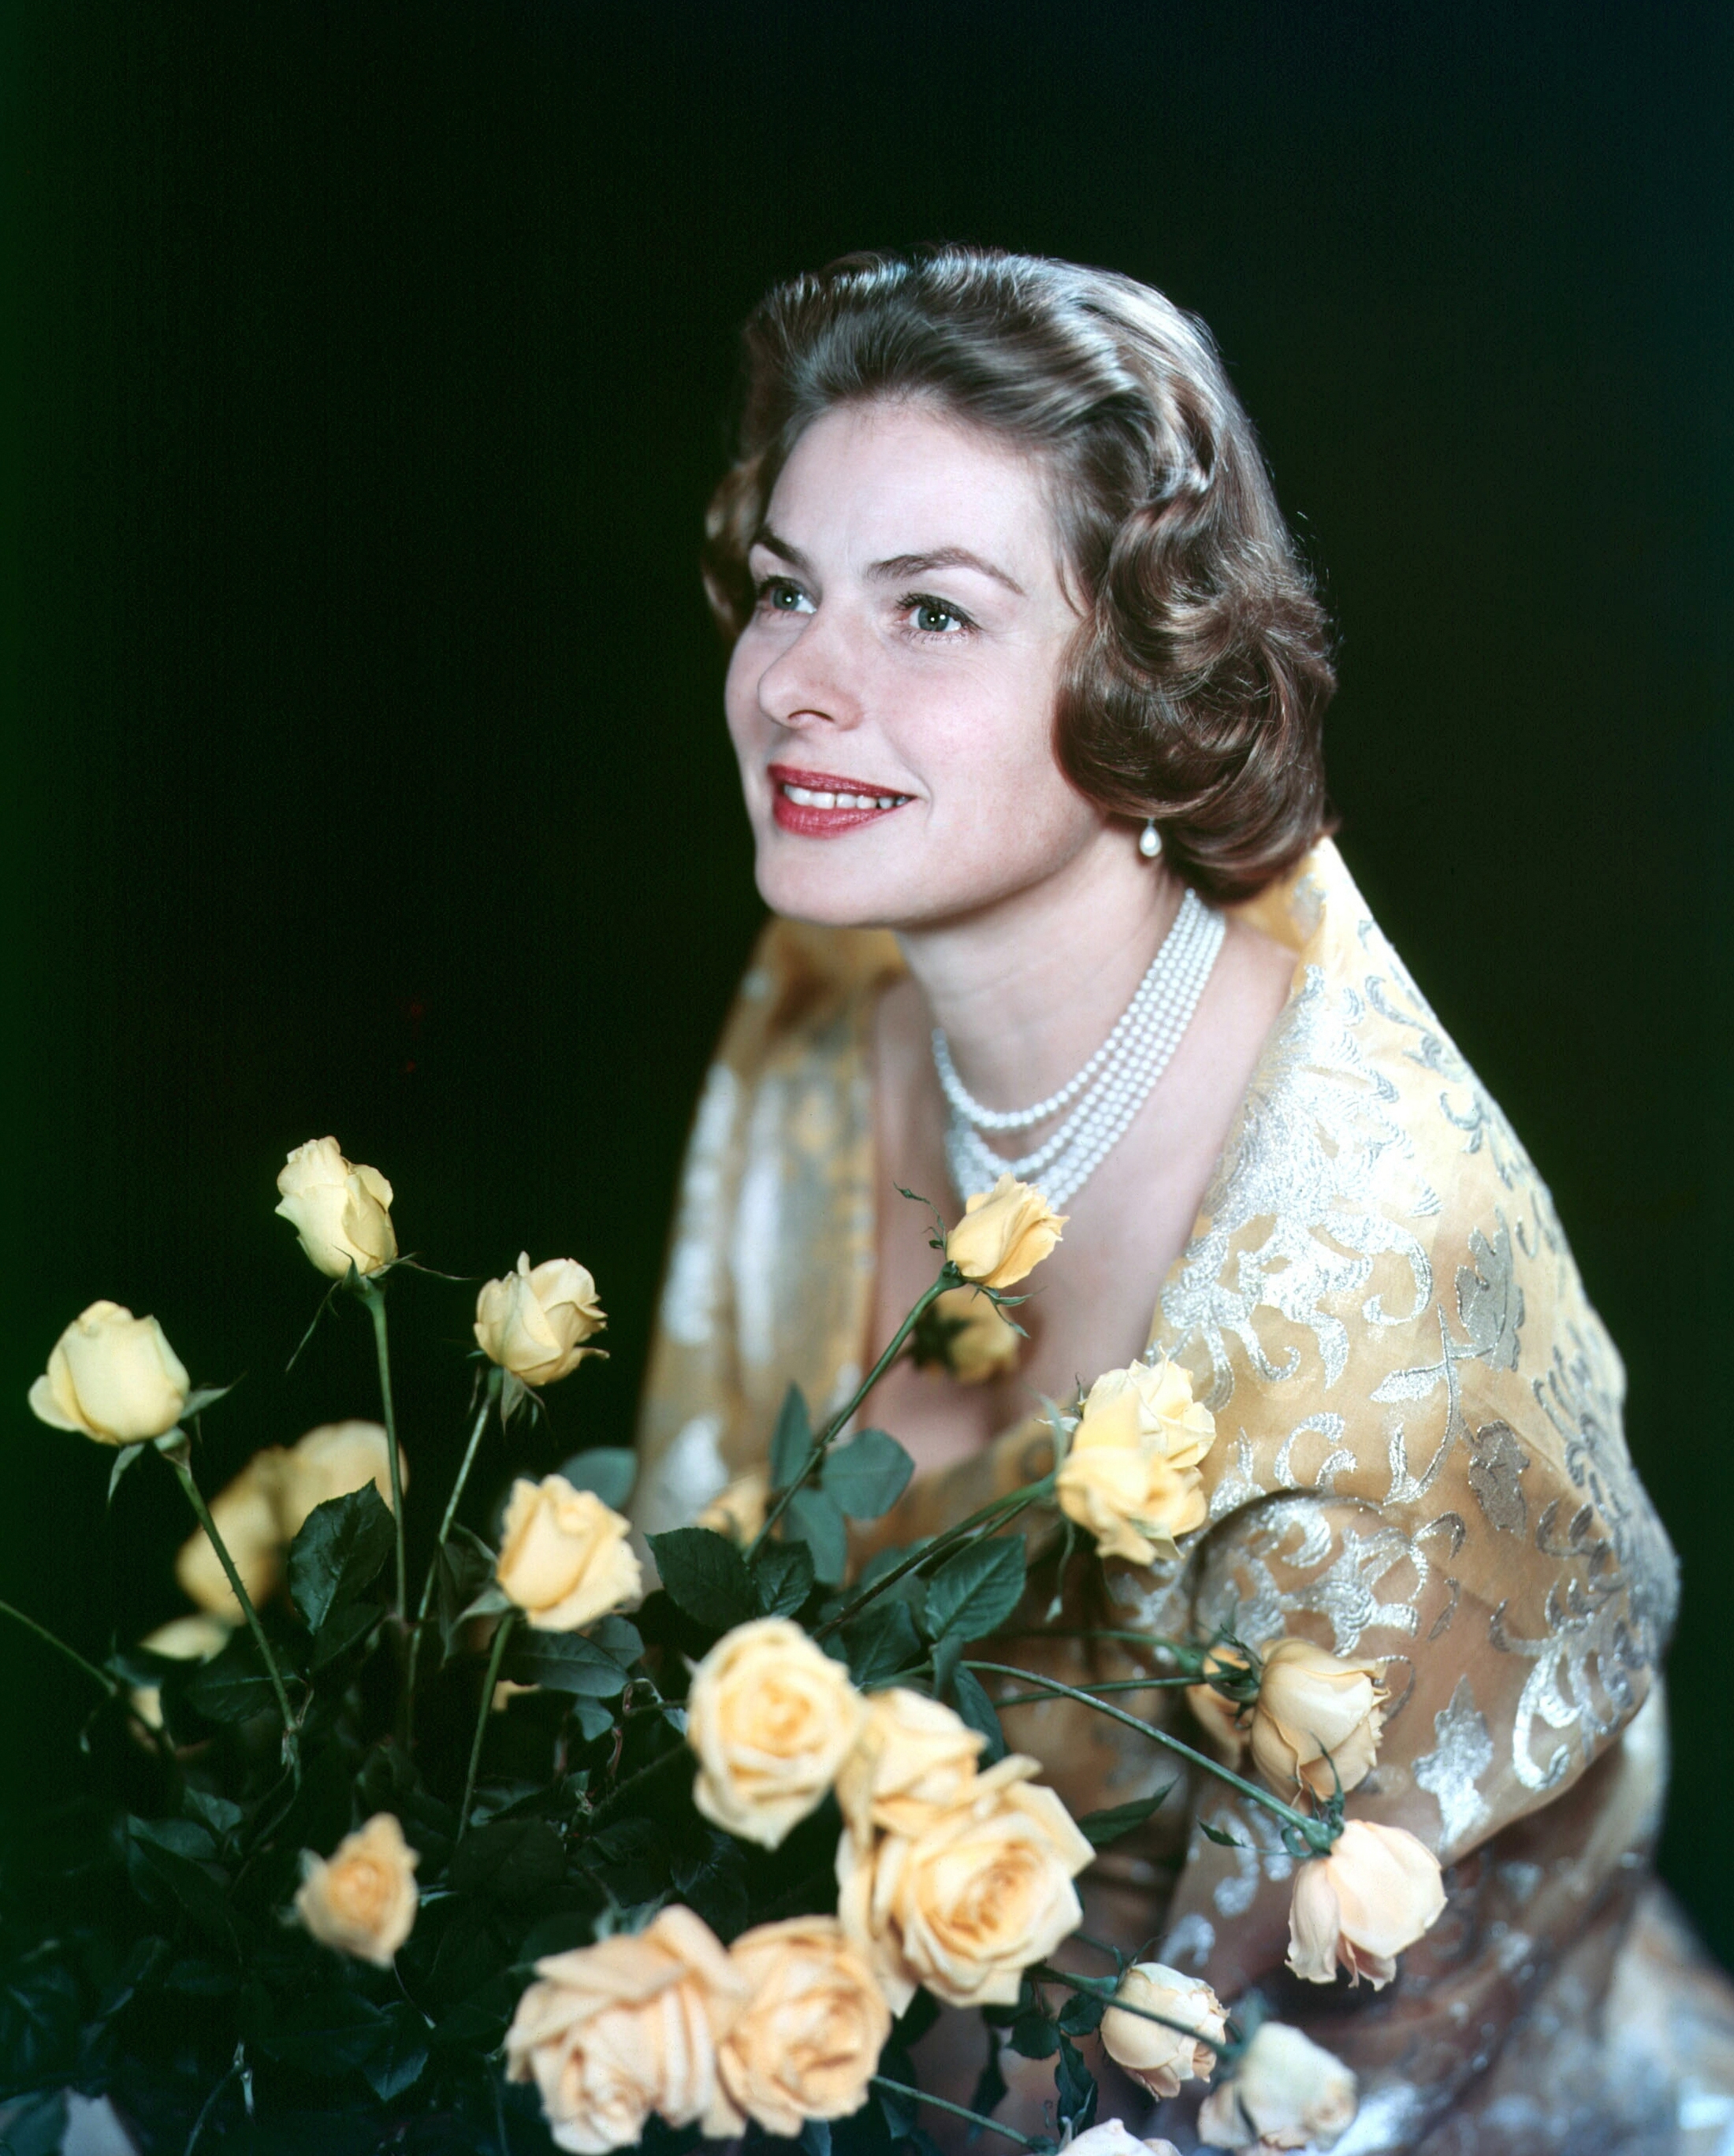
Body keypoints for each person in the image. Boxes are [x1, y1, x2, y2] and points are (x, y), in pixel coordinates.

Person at [632, 248, 1734, 2150]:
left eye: (929, 613)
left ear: (1142, 672)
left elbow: (1323, 2064)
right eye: (787, 590)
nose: (796, 686)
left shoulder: (1377, 1283)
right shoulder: (821, 1009)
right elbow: (688, 1611)